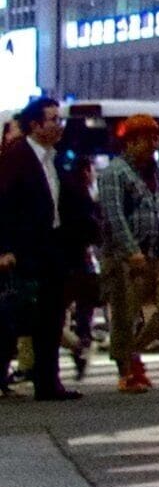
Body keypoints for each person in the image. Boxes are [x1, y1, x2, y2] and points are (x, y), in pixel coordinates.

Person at [0, 99, 86, 399]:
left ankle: (48, 382)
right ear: (34, 124)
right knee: (15, 316)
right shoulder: (17, 156)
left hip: (53, 247)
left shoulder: (55, 158)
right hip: (25, 249)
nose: (58, 125)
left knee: (51, 316)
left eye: (59, 120)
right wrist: (5, 248)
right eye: (52, 119)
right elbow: (4, 205)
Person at [91, 119, 159, 394]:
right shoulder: (115, 173)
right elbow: (113, 216)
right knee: (125, 315)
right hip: (124, 256)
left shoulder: (155, 173)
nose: (154, 145)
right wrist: (131, 250)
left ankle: (132, 350)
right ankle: (126, 369)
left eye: (156, 138)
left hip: (155, 252)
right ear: (131, 142)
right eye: (148, 139)